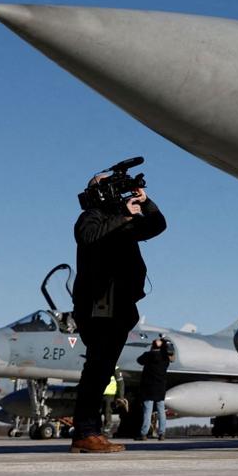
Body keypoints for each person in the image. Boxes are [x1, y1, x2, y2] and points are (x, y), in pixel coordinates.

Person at [69, 169, 166, 454]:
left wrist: (145, 203)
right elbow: (88, 237)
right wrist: (123, 214)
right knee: (97, 368)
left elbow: (157, 225)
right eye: (106, 184)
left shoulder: (121, 222)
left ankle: (89, 432)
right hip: (99, 304)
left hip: (119, 305)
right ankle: (85, 432)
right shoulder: (92, 217)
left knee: (102, 369)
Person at [135, 337, 173, 440]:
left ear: (152, 346)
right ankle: (162, 433)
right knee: (161, 411)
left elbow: (139, 360)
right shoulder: (165, 358)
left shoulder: (148, 355)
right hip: (160, 387)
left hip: (148, 388)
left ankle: (143, 433)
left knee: (147, 411)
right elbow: (171, 356)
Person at [101, 371, 120, 435]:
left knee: (107, 412)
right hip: (101, 394)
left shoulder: (115, 369)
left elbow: (120, 383)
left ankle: (106, 430)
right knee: (99, 412)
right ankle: (98, 429)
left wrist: (120, 396)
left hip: (110, 395)